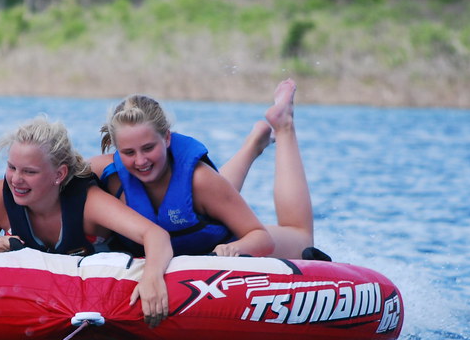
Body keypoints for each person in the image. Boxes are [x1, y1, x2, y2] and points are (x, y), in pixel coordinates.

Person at [0, 117, 174, 327]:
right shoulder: (0, 197)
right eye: (11, 167)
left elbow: (155, 235)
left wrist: (151, 279)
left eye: (29, 172)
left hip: (106, 301)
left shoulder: (88, 203)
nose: (16, 179)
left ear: (58, 174)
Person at [90, 79, 315, 259]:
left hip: (223, 240)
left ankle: (283, 124)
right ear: (116, 148)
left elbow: (263, 239)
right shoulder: (105, 172)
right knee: (208, 194)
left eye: (148, 148)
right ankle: (254, 145)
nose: (140, 161)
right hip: (205, 204)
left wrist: (235, 249)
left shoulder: (202, 181)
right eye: (128, 152)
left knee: (301, 238)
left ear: (167, 138)